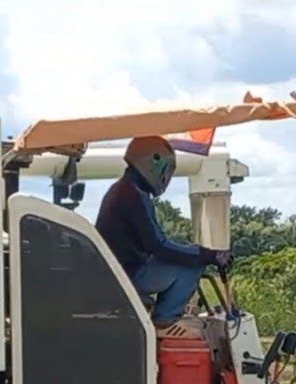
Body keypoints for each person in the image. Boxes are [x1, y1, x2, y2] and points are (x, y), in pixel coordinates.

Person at [95, 135, 231, 339]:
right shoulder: (132, 195)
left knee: (194, 253)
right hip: (127, 275)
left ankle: (164, 318)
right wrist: (208, 255)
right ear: (154, 163)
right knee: (195, 262)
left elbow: (157, 244)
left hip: (119, 273)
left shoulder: (127, 190)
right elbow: (158, 246)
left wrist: (201, 252)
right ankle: (165, 320)